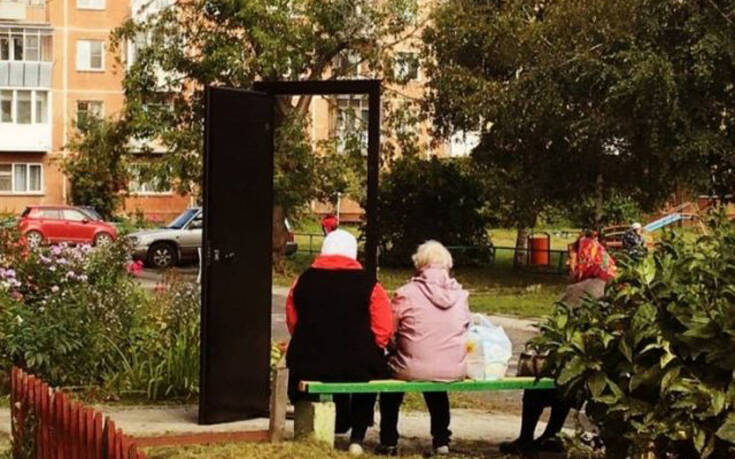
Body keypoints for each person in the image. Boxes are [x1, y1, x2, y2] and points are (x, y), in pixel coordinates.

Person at [500, 235, 615, 456]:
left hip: (579, 368)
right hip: (597, 370)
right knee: (564, 379)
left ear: (584, 258)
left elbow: (558, 329)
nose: (567, 263)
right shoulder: (610, 286)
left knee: (540, 384)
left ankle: (526, 439)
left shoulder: (580, 290)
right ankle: (551, 435)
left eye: (571, 257)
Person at [285, 229, 393, 456]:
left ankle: (319, 430)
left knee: (321, 370)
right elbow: (384, 329)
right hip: (359, 362)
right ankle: (357, 436)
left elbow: (293, 321)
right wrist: (371, 347)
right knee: (369, 376)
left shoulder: (302, 281)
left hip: (309, 361)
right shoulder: (370, 285)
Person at [377, 241, 470, 456]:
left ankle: (389, 439)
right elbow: (465, 327)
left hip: (411, 366)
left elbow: (390, 331)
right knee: (437, 385)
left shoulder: (406, 293)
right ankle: (441, 440)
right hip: (452, 368)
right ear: (448, 265)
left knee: (391, 385)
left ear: (419, 265)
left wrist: (395, 346)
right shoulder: (461, 295)